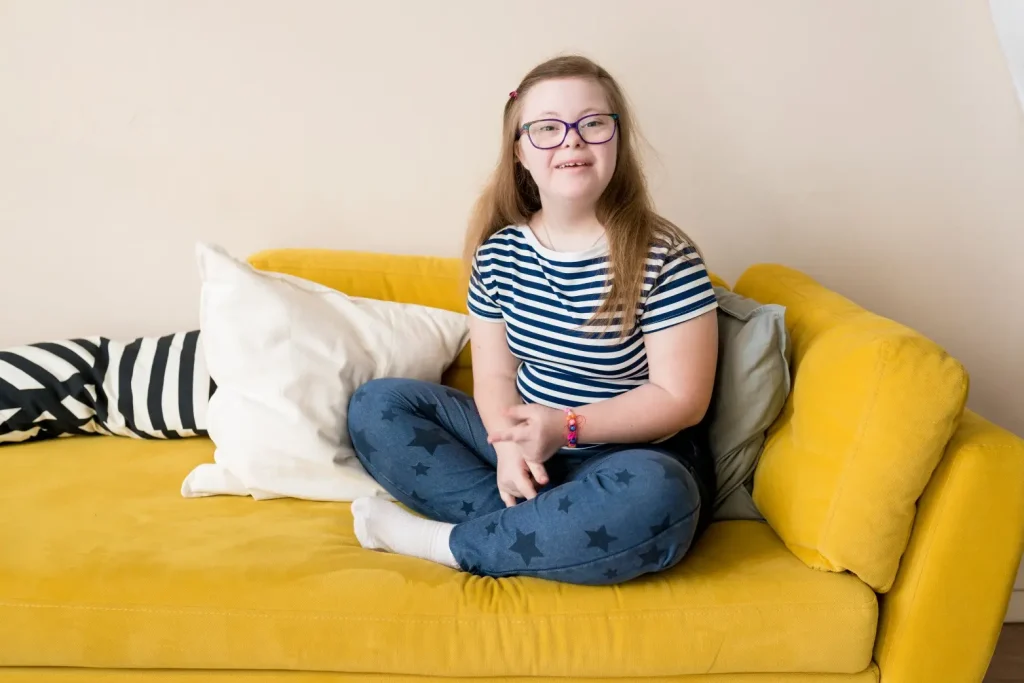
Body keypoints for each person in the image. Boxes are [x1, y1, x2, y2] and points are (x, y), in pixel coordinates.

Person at [347, 54, 719, 585]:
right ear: (520, 151)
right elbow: (496, 377)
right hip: (525, 445)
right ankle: (544, 531)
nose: (571, 141)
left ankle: (446, 543)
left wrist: (565, 426)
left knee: (661, 496)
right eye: (547, 128)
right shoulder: (498, 255)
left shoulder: (666, 254)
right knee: (377, 405)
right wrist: (506, 446)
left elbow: (680, 400)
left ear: (618, 139)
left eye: (592, 123)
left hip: (627, 457)